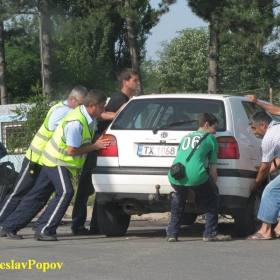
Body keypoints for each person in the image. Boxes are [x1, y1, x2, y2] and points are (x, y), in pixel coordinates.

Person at [0, 89, 109, 241]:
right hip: (56, 161)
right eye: (102, 106)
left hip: (56, 160)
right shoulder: (76, 122)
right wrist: (95, 146)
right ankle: (45, 229)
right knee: (66, 192)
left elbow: (87, 139)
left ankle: (9, 225)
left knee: (38, 196)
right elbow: (71, 150)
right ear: (91, 106)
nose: (103, 110)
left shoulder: (87, 118)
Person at [71, 68, 140, 235]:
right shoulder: (118, 99)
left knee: (100, 189)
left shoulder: (126, 100)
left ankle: (96, 225)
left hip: (103, 149)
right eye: (135, 80)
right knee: (87, 188)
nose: (138, 83)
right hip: (97, 149)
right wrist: (118, 114)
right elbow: (100, 115)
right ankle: (78, 225)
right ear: (125, 82)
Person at [166, 112, 231, 242]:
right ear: (207, 125)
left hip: (175, 175)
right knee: (212, 198)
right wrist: (211, 188)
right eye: (214, 128)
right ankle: (210, 233)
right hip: (196, 175)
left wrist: (191, 190)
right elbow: (213, 171)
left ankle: (172, 233)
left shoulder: (186, 137)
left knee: (178, 201)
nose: (215, 132)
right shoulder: (210, 138)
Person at [246, 111, 280, 240]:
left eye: (254, 128)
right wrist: (265, 171)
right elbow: (277, 161)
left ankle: (265, 231)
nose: (254, 132)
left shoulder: (269, 137)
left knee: (270, 191)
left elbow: (265, 166)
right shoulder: (278, 128)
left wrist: (256, 183)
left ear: (263, 125)